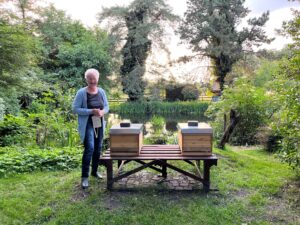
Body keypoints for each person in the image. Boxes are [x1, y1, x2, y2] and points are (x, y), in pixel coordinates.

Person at [72, 68, 109, 189]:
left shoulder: (101, 91)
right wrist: (90, 111)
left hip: (98, 122)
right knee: (90, 148)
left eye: (94, 78)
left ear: (98, 79)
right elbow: (75, 109)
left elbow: (107, 106)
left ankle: (94, 171)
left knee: (98, 148)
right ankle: (84, 177)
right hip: (87, 123)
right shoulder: (81, 92)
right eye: (90, 79)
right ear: (86, 79)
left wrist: (102, 112)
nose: (92, 81)